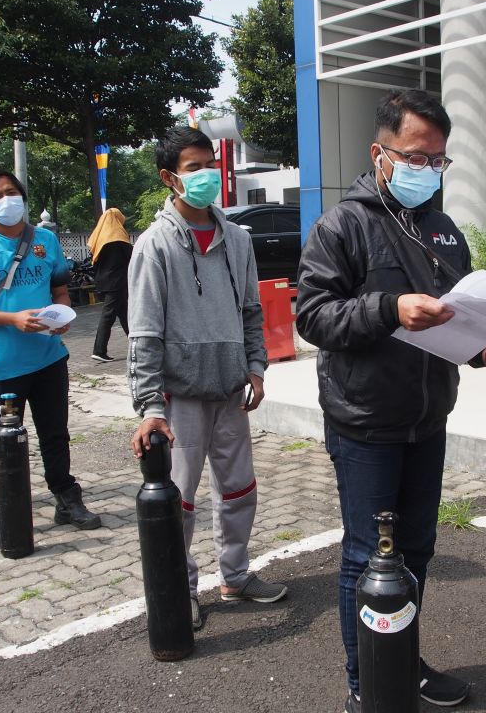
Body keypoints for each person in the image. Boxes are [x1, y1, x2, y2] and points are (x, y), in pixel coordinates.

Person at [295, 89, 486, 713]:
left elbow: (458, 322)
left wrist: (485, 348)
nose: (428, 170)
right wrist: (388, 308)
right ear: (381, 154)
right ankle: (366, 679)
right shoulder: (343, 225)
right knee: (368, 557)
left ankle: (404, 661)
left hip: (428, 420)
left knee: (416, 550)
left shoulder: (443, 232)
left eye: (439, 160)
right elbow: (312, 316)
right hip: (365, 423)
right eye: (417, 157)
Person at [127, 126, 286, 632]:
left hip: (229, 391)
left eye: (209, 164)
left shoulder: (237, 238)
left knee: (239, 489)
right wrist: (150, 406)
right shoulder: (154, 246)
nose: (205, 175)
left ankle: (235, 576)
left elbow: (250, 310)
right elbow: (144, 333)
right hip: (178, 399)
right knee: (180, 501)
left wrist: (256, 368)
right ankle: (182, 588)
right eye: (193, 167)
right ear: (169, 177)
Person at [0, 169, 102, 550]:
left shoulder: (46, 240)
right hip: (3, 364)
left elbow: (60, 290)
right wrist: (12, 320)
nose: (9, 200)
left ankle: (66, 498)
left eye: (14, 192)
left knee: (55, 434)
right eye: (0, 195)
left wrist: (62, 316)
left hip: (50, 358)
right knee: (4, 440)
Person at [86, 207, 133, 362]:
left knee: (125, 314)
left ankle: (137, 345)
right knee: (108, 315)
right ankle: (99, 350)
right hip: (117, 282)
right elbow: (131, 258)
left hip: (104, 281)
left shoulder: (99, 237)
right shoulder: (119, 237)